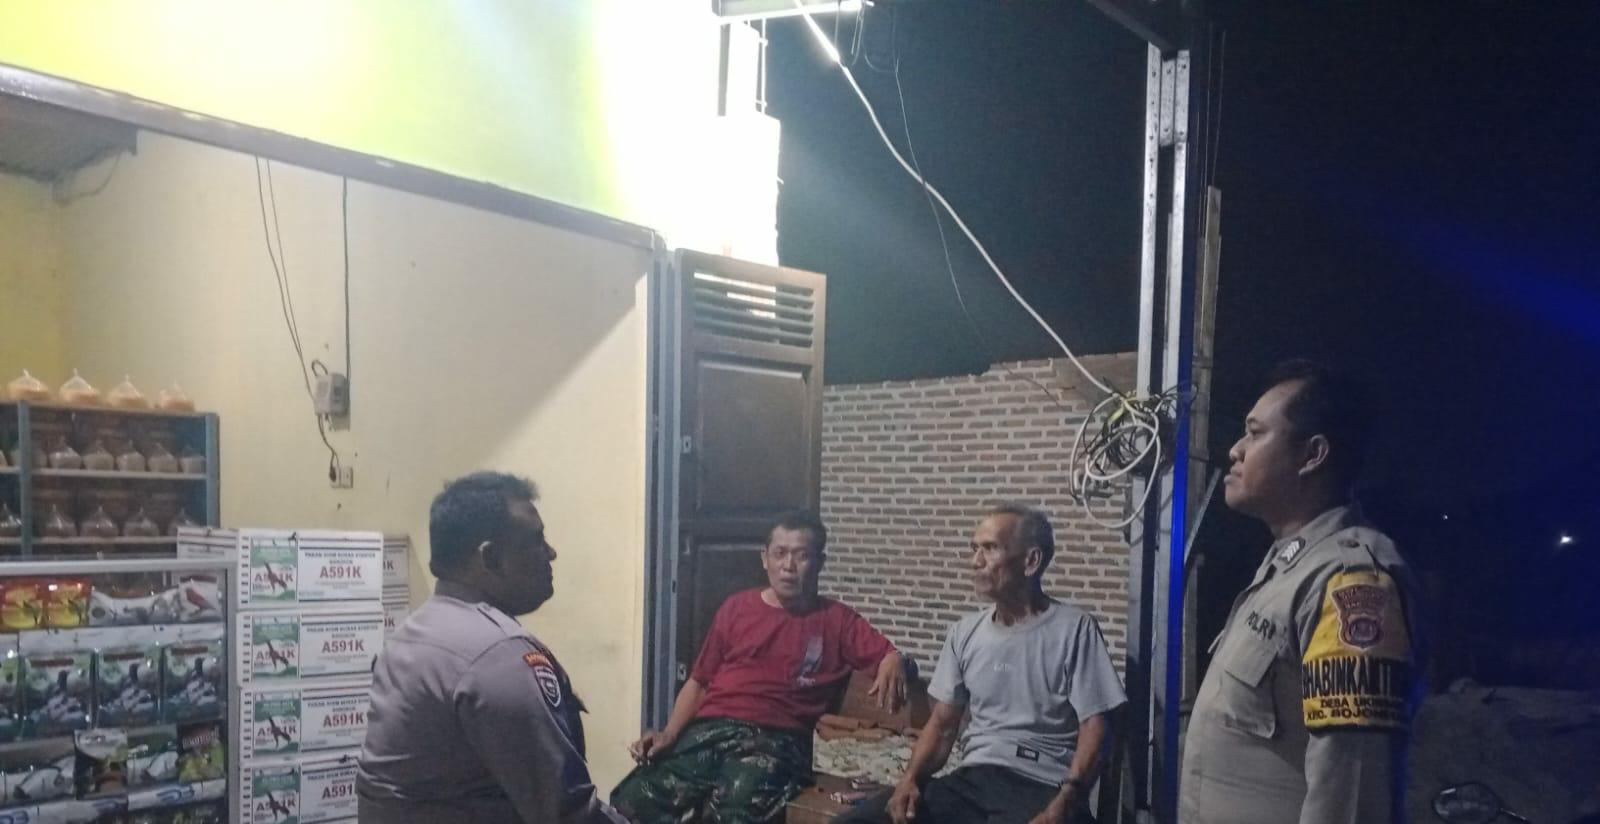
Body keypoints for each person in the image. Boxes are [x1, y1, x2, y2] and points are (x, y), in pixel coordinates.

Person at [1178, 360, 1421, 824]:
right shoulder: (1289, 565)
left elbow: (1352, 798)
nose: (1235, 450)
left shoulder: (1350, 580)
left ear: (1312, 455)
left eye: (1254, 433)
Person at [356, 471, 624, 824]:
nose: (551, 553)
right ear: (491, 558)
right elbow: (566, 812)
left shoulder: (414, 633)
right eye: (535, 541)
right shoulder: (496, 654)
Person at [834, 504, 1126, 824]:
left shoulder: (1074, 629)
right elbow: (942, 726)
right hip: (973, 780)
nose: (975, 562)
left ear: (1031, 561)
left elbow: (1096, 726)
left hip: (1042, 784)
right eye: (974, 549)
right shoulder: (965, 633)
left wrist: (1065, 802)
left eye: (990, 548)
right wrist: (909, 780)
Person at [611, 510, 906, 824]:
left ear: (820, 562)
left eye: (801, 556)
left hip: (777, 741)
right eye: (780, 553)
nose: (788, 566)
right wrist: (669, 734)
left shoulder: (836, 619)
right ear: (765, 558)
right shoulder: (736, 608)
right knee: (631, 801)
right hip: (711, 732)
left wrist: (895, 658)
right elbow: (699, 683)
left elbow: (888, 655)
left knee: (733, 814)